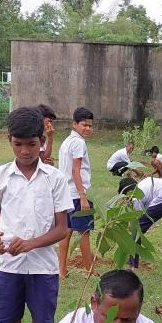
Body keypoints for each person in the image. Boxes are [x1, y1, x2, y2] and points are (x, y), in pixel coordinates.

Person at [0, 106, 73, 323]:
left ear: (42, 140)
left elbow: (62, 229)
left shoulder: (55, 179)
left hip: (43, 268)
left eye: (31, 144)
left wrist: (30, 244)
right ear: (9, 140)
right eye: (18, 144)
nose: (24, 151)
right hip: (7, 266)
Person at [58, 106, 95, 277]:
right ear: (74, 124)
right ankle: (89, 271)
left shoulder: (67, 141)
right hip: (77, 194)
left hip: (66, 193)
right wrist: (83, 196)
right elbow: (76, 170)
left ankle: (62, 269)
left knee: (66, 231)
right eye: (84, 125)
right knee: (84, 232)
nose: (88, 128)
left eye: (90, 125)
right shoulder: (79, 142)